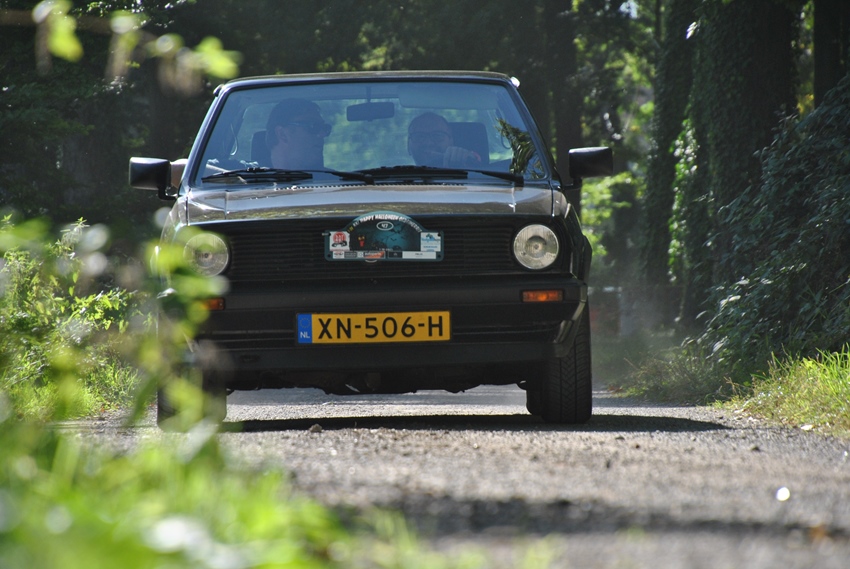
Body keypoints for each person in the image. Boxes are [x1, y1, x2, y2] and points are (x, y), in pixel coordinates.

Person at [265, 98, 331, 169]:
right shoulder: (256, 174)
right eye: (313, 126)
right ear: (282, 134)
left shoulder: (333, 176)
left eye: (325, 127)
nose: (322, 134)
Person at [407, 112, 481, 168]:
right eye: (419, 136)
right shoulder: (400, 175)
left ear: (451, 141)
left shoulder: (473, 177)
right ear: (408, 146)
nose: (429, 143)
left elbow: (478, 163)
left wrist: (469, 161)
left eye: (437, 136)